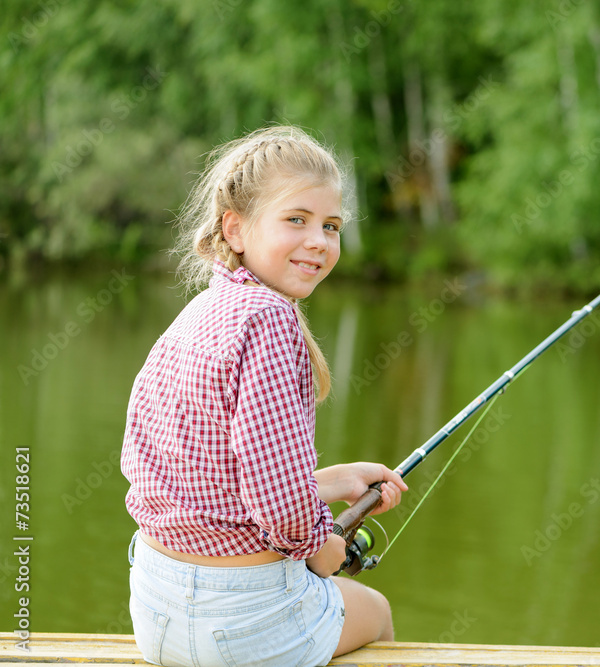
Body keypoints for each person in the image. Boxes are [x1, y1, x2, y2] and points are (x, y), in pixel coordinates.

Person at [121, 125, 407, 667]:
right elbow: (280, 506)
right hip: (239, 624)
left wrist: (332, 481)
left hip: (154, 609)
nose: (319, 241)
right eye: (296, 220)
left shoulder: (200, 312)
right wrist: (323, 549)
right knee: (376, 610)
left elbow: (203, 482)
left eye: (331, 226)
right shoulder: (270, 321)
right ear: (236, 228)